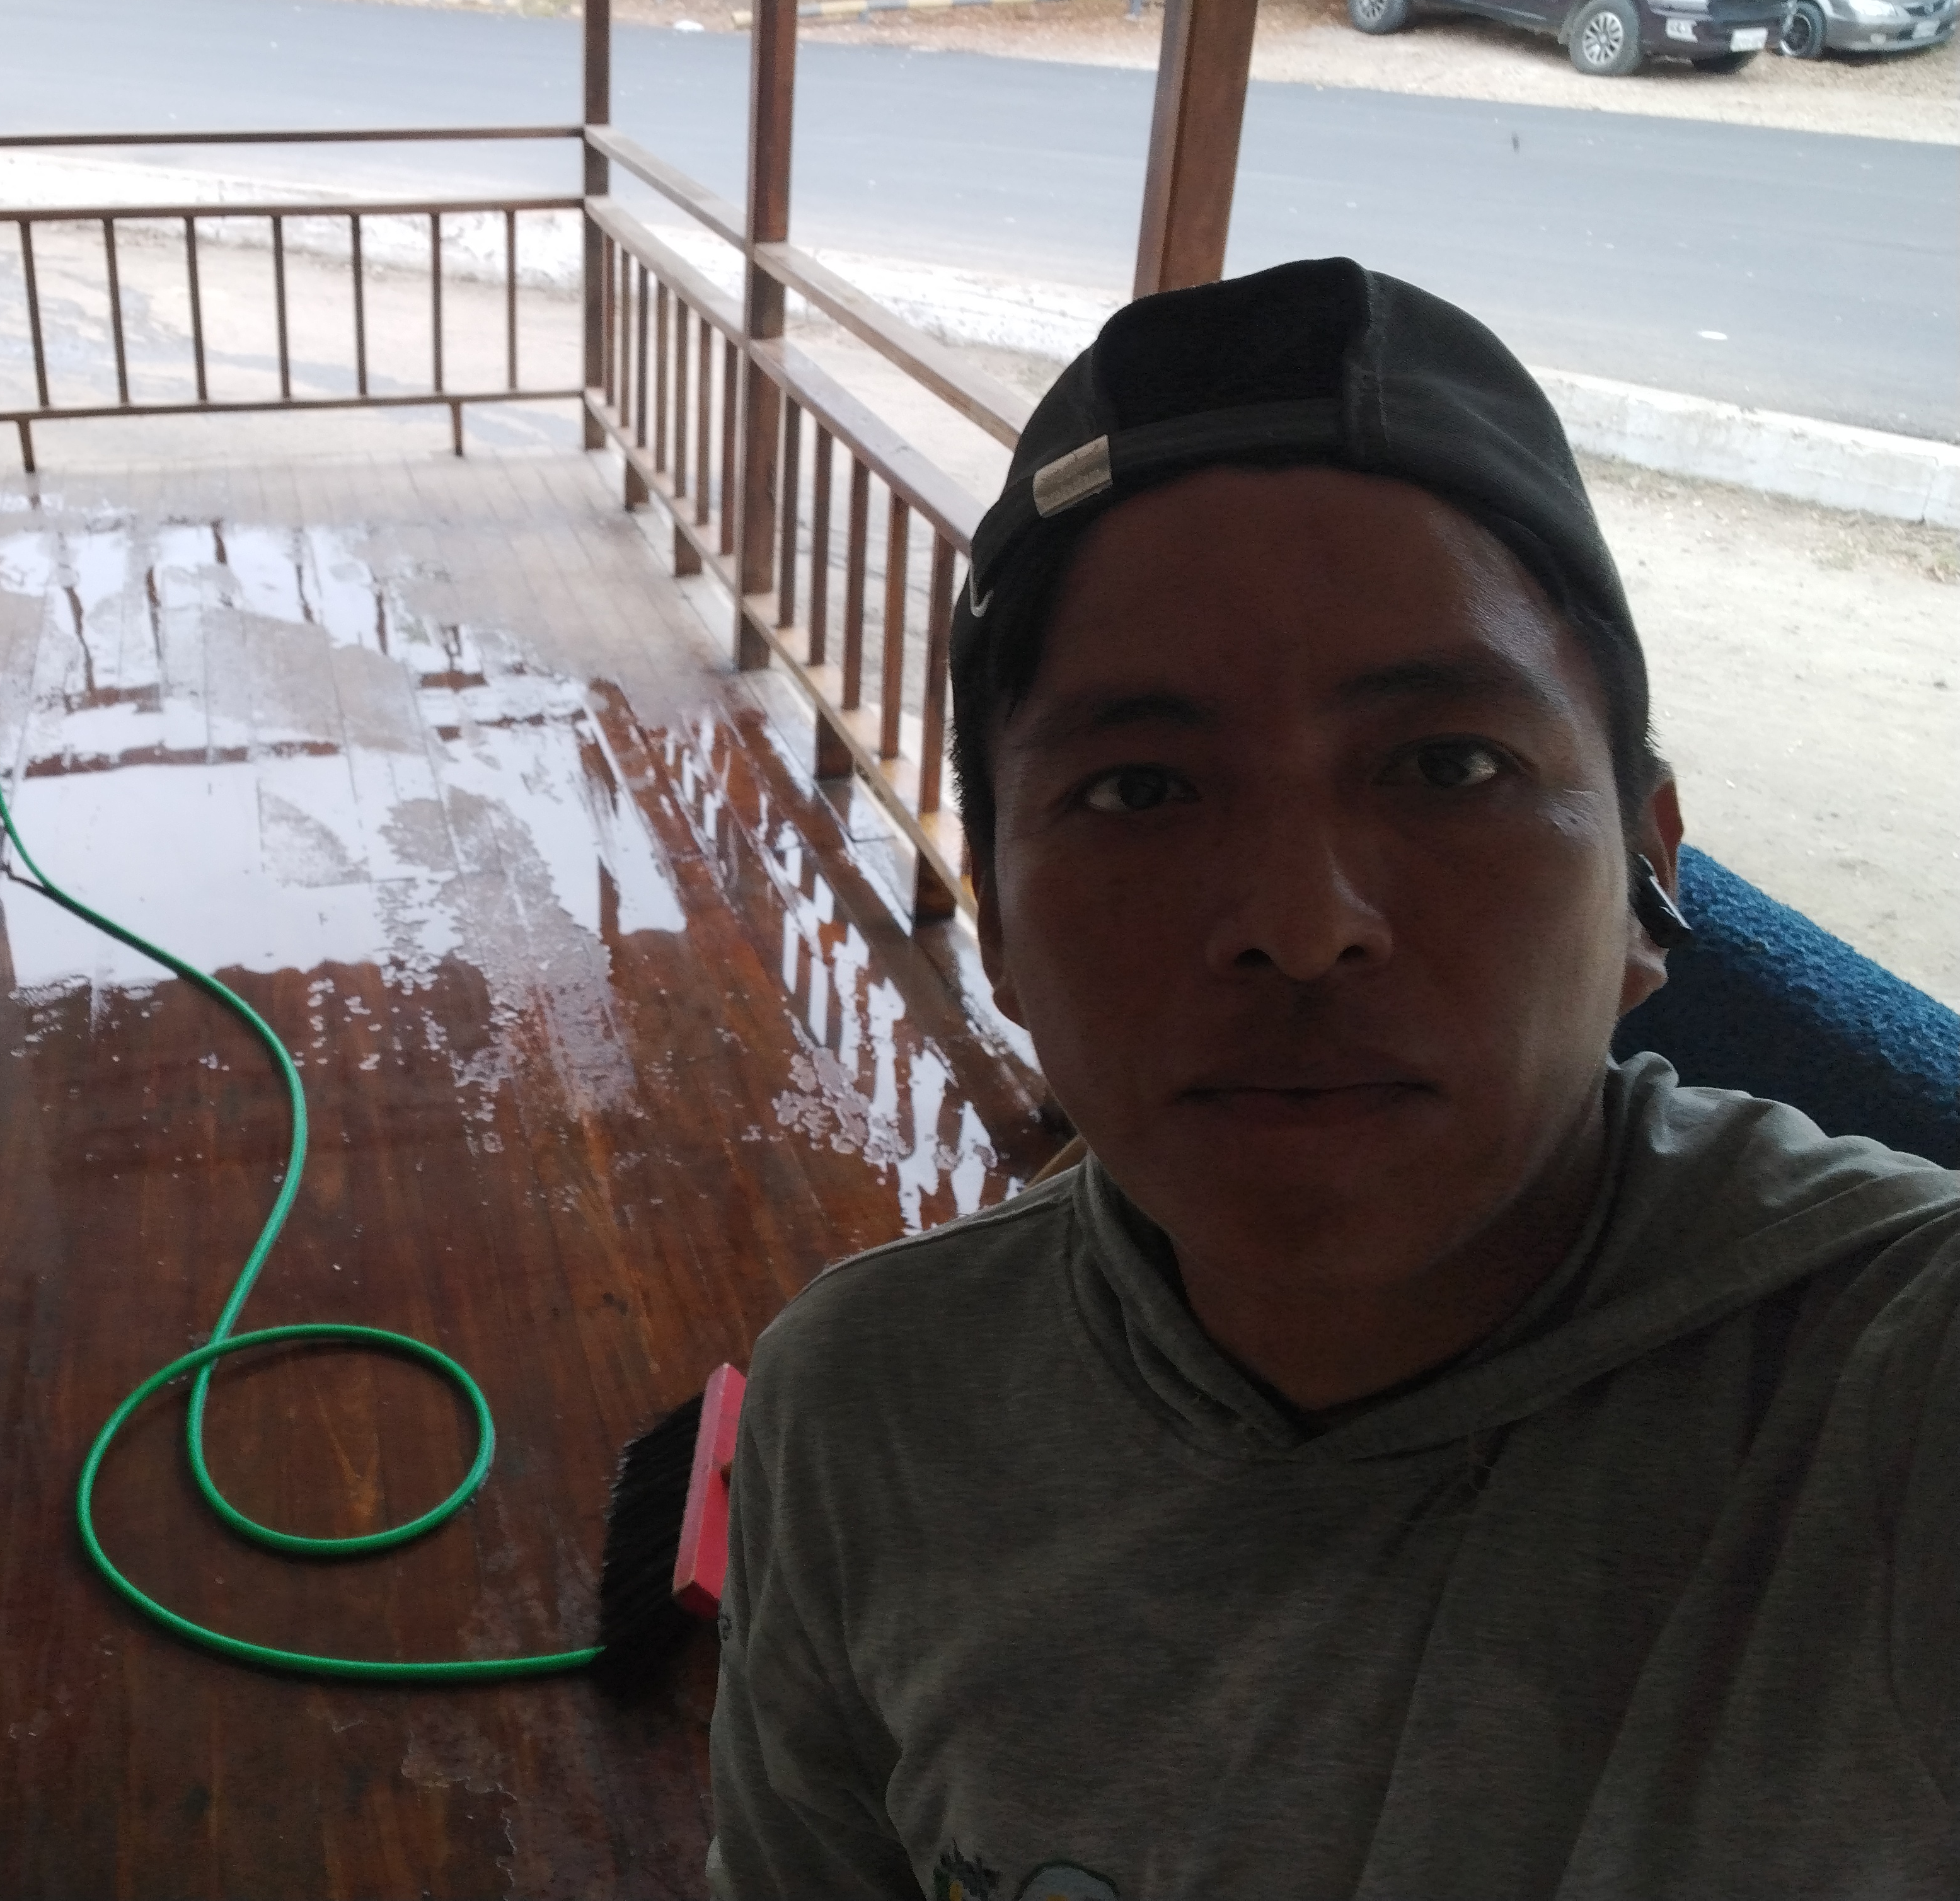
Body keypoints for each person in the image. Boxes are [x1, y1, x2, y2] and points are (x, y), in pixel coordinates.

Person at [704, 258, 1959, 1901]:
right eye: (1142, 790)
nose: (1302, 930)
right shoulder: (867, 1406)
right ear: (997, 922)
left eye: (1450, 766)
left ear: (1652, 888)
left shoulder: (1890, 1388)